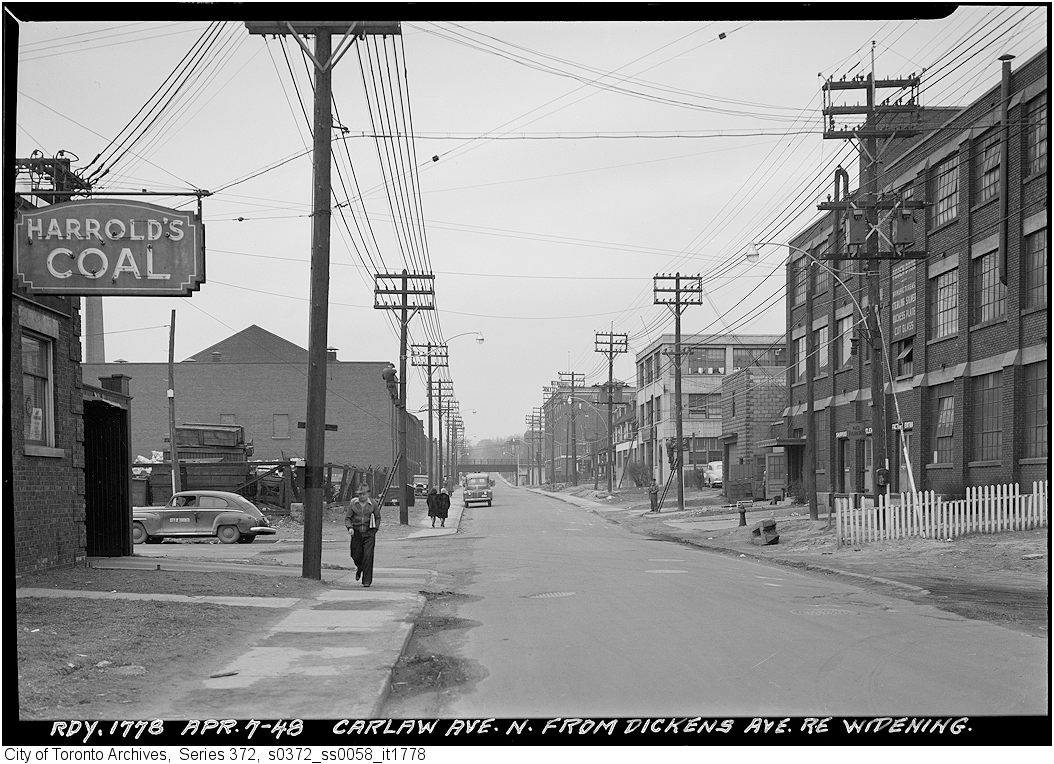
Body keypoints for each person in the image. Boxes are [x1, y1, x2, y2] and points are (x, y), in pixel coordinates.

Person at [345, 484, 381, 587]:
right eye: (359, 494)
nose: (361, 496)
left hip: (369, 533)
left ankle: (366, 581)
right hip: (356, 532)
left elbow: (378, 517)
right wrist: (350, 527)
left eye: (363, 494)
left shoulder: (373, 504)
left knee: (368, 556)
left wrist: (375, 529)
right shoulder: (353, 503)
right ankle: (359, 567)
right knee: (355, 555)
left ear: (368, 494)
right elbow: (348, 518)